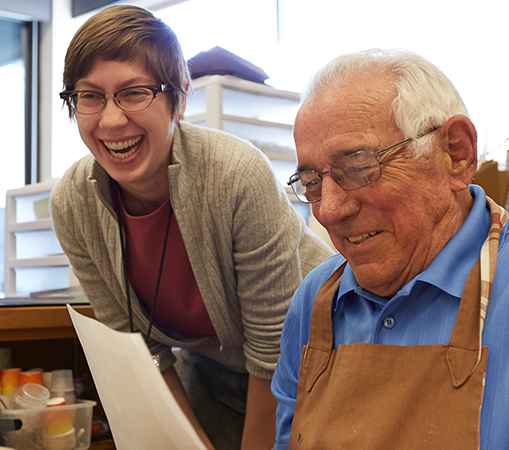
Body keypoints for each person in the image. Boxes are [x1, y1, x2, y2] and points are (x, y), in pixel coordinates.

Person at [50, 5, 333, 449]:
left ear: (178, 100)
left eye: (134, 92)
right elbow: (142, 352)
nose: (110, 120)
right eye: (90, 96)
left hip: (314, 360)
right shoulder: (73, 205)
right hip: (211, 371)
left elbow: (272, 350)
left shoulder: (236, 175)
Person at [271, 48, 509, 449]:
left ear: (456, 153)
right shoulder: (314, 300)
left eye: (357, 167)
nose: (328, 211)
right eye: (311, 181)